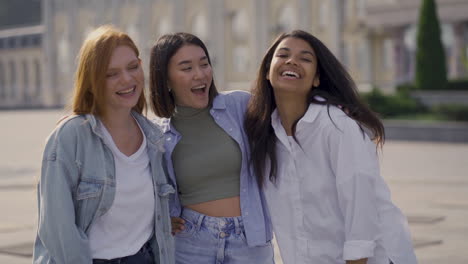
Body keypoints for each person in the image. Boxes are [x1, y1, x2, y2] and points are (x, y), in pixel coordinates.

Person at [244, 30, 418, 264]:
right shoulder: (265, 136)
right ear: (267, 71)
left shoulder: (336, 126)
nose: (292, 61)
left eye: (305, 58)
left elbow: (360, 207)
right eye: (283, 54)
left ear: (316, 79)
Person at [32, 25, 174, 264]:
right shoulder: (70, 137)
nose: (127, 79)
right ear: (92, 80)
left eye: (132, 67)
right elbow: (58, 230)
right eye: (112, 74)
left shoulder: (154, 138)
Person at [149, 32, 274, 264]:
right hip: (189, 242)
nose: (200, 74)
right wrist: (160, 216)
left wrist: (332, 109)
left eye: (204, 64)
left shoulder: (240, 106)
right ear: (165, 79)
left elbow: (288, 118)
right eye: (186, 68)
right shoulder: (156, 134)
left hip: (249, 240)